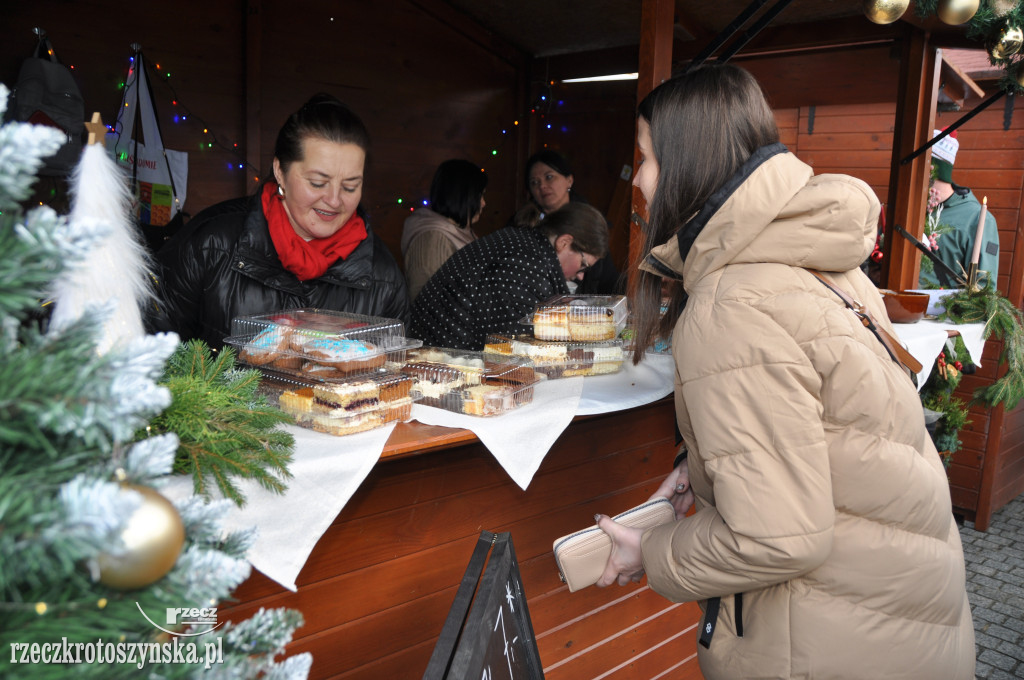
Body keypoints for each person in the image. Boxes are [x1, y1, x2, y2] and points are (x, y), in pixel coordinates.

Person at [593, 64, 975, 679]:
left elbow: (776, 538)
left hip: (829, 642)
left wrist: (652, 551)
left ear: (690, 163)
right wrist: (705, 462)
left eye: (647, 158)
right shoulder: (819, 258)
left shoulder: (731, 304)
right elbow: (827, 421)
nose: (638, 180)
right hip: (901, 615)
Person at [148, 93, 409, 349]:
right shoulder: (211, 245)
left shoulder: (382, 275)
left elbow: (398, 368)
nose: (334, 200)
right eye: (318, 183)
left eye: (350, 186)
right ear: (280, 172)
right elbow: (149, 349)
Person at [411, 202, 608, 351]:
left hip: (436, 346)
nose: (581, 277)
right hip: (439, 360)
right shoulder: (528, 266)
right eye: (583, 265)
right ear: (564, 243)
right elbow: (514, 348)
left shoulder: (525, 243)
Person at [513, 149, 622, 294]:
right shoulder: (521, 224)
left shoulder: (590, 225)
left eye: (549, 177)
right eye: (534, 182)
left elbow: (609, 281)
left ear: (569, 180)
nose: (542, 186)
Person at [919, 128, 999, 289]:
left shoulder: (978, 219)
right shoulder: (910, 209)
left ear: (931, 168)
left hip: (940, 305)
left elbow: (983, 288)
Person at [401, 159, 486, 301]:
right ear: (460, 196)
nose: (483, 203)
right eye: (479, 196)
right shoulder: (432, 239)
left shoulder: (459, 232)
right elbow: (427, 300)